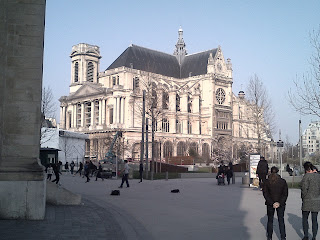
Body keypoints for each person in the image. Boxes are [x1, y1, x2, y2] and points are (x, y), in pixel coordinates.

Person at [263, 166, 288, 240]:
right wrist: (279, 203)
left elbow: (265, 193)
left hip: (270, 204)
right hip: (281, 204)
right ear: (278, 171)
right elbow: (285, 194)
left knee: (270, 220)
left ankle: (269, 237)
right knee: (281, 220)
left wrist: (272, 202)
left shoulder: (267, 181)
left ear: (270, 171)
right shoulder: (282, 181)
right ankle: (283, 237)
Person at [301, 161, 320, 240]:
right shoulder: (318, 176)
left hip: (307, 200)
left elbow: (304, 189)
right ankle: (314, 236)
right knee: (314, 219)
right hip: (316, 200)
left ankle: (306, 235)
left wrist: (303, 197)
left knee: (305, 218)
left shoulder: (306, 177)